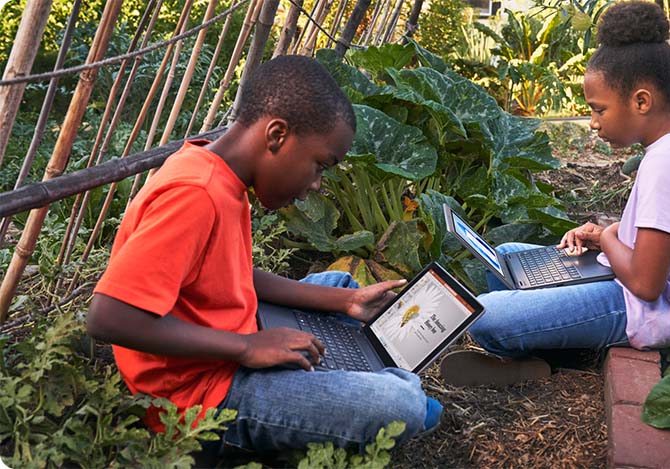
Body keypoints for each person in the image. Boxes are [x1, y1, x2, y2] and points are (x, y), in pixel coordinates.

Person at [85, 55, 442, 457]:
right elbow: (109, 316)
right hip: (200, 398)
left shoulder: (220, 174)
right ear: (276, 135)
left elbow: (233, 274)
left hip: (226, 344)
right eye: (319, 165)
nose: (315, 185)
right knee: (401, 406)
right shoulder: (196, 194)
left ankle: (347, 357)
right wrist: (247, 347)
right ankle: (368, 379)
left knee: (338, 285)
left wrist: (344, 302)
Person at [440, 1, 670, 386]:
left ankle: (545, 358)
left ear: (641, 101)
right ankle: (551, 340)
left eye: (599, 110)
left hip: (644, 310)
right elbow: (663, 234)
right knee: (506, 258)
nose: (594, 124)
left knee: (484, 315)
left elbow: (647, 285)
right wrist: (602, 238)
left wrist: (609, 236)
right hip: (623, 281)